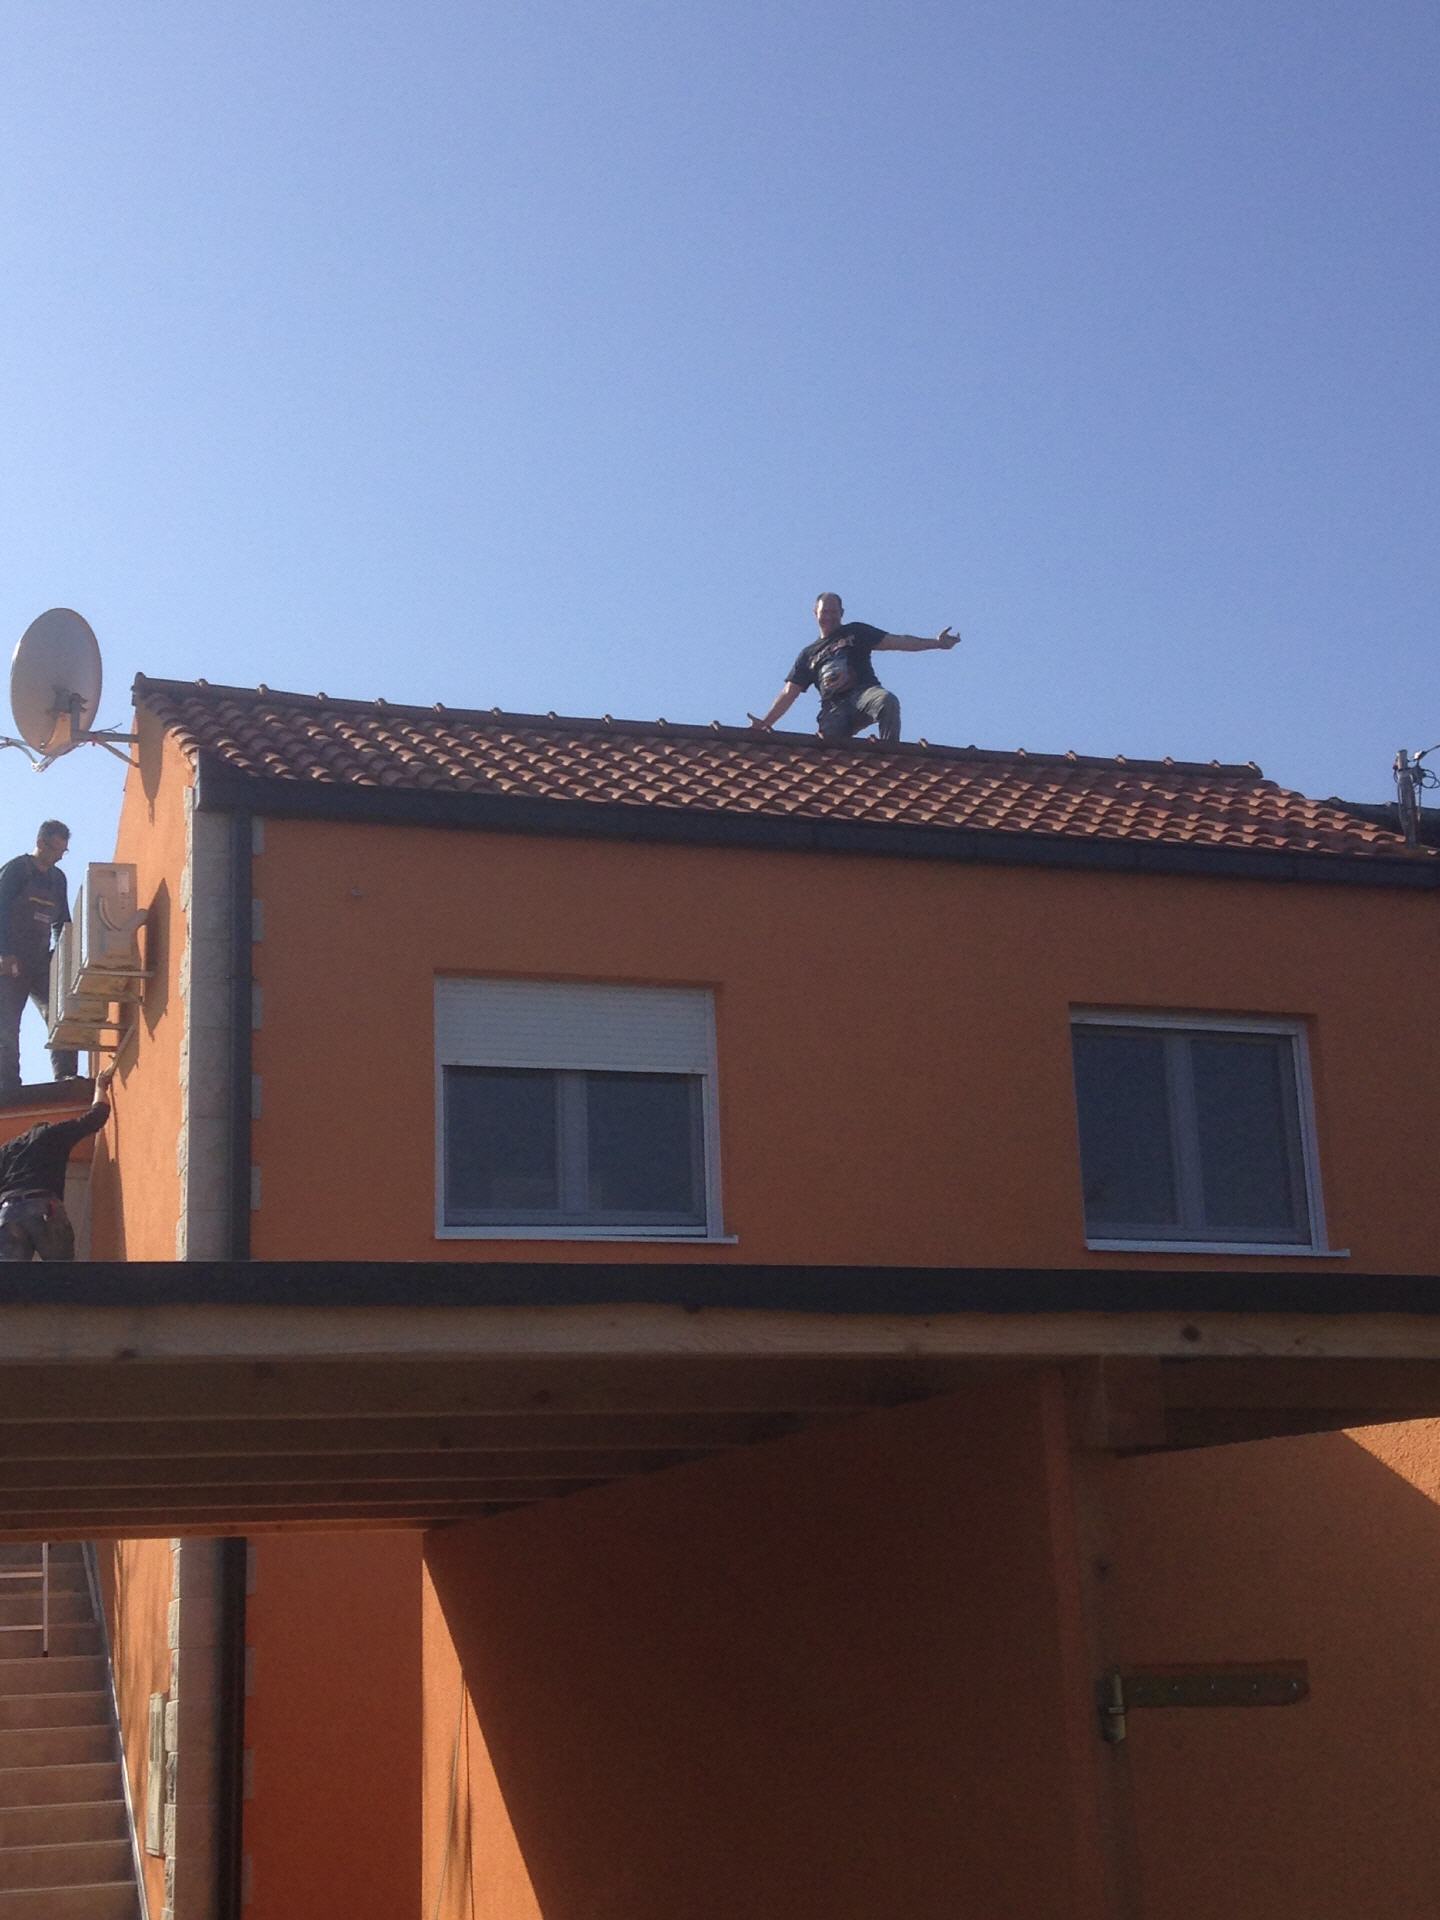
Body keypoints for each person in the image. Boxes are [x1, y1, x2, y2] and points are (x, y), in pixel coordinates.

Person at [748, 592, 962, 744]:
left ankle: (891, 753)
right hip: (834, 707)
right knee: (825, 749)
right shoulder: (808, 654)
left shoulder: (856, 631)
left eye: (834, 612)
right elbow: (789, 692)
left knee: (887, 701)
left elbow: (897, 641)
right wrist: (766, 723)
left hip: (863, 693)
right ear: (815, 613)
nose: (829, 617)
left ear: (842, 613)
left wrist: (936, 643)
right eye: (824, 612)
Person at [0, 1065, 113, 1260]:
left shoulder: (8, 1149)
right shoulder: (52, 1134)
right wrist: (100, 1086)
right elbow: (95, 1117)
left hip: (7, 1212)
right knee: (61, 1271)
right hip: (43, 1206)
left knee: (10, 1276)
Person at [0, 821, 78, 1099]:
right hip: (11, 962)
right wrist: (4, 953)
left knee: (61, 1013)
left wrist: (61, 957)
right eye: (56, 849)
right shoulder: (17, 870)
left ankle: (66, 1075)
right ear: (41, 843)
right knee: (6, 1024)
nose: (59, 856)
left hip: (41, 962)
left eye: (63, 851)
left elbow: (62, 923)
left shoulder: (58, 879)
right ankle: (8, 1085)